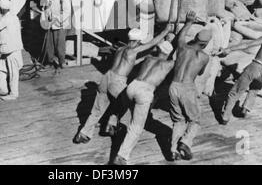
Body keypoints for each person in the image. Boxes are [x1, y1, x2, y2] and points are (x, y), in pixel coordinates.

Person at [73, 24, 173, 144]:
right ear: (137, 41)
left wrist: (142, 59)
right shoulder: (134, 50)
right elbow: (151, 43)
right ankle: (112, 124)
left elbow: (127, 63)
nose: (140, 45)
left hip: (107, 77)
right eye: (140, 43)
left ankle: (83, 133)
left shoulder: (120, 49)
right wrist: (166, 31)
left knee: (97, 109)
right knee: (126, 102)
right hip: (117, 81)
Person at [113, 39, 175, 165]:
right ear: (169, 53)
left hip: (132, 86)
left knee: (126, 107)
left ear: (158, 49)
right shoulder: (169, 64)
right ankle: (121, 156)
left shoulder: (148, 59)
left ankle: (112, 121)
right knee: (136, 126)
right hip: (145, 91)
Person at [169, 11, 211, 161]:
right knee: (195, 120)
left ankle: (173, 151)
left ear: (194, 38)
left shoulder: (182, 47)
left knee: (178, 120)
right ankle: (185, 143)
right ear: (205, 44)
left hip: (173, 86)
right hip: (187, 87)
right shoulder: (205, 57)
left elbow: (180, 37)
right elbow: (200, 74)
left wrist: (189, 22)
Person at [0, 0, 24, 101]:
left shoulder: (7, 19)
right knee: (0, 67)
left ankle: (14, 94)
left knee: (13, 73)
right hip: (7, 49)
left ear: (2, 9)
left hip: (12, 50)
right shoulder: (13, 17)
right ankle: (3, 89)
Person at [40, 0, 72, 70]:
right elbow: (44, 8)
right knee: (49, 44)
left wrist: (57, 19)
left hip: (60, 24)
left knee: (60, 44)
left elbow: (67, 11)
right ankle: (49, 62)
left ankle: (62, 61)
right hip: (50, 24)